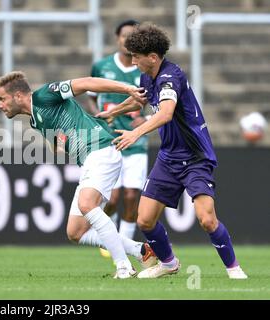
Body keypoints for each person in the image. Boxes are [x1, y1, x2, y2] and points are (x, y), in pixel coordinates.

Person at [97, 23, 247, 279]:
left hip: (195, 156)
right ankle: (168, 263)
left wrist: (136, 132)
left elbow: (166, 113)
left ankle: (234, 269)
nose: (132, 61)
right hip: (169, 157)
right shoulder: (148, 75)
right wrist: (112, 112)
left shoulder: (170, 77)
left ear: (152, 57)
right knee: (144, 220)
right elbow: (139, 99)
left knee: (207, 220)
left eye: (136, 56)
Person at [0, 71, 156, 279]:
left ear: (18, 96)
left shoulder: (44, 95)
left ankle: (123, 266)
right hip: (90, 160)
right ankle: (141, 251)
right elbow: (59, 144)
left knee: (88, 205)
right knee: (75, 232)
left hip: (101, 150)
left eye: (1, 99)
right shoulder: (35, 119)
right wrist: (60, 140)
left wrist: (127, 88)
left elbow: (86, 83)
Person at [88, 19, 148, 247]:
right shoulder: (102, 66)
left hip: (136, 141)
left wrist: (147, 119)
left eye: (133, 36)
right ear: (117, 38)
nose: (127, 40)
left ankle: (125, 246)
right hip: (109, 141)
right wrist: (98, 117)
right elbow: (92, 95)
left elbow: (158, 104)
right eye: (124, 35)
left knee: (132, 198)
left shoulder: (144, 69)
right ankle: (111, 238)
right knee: (111, 199)